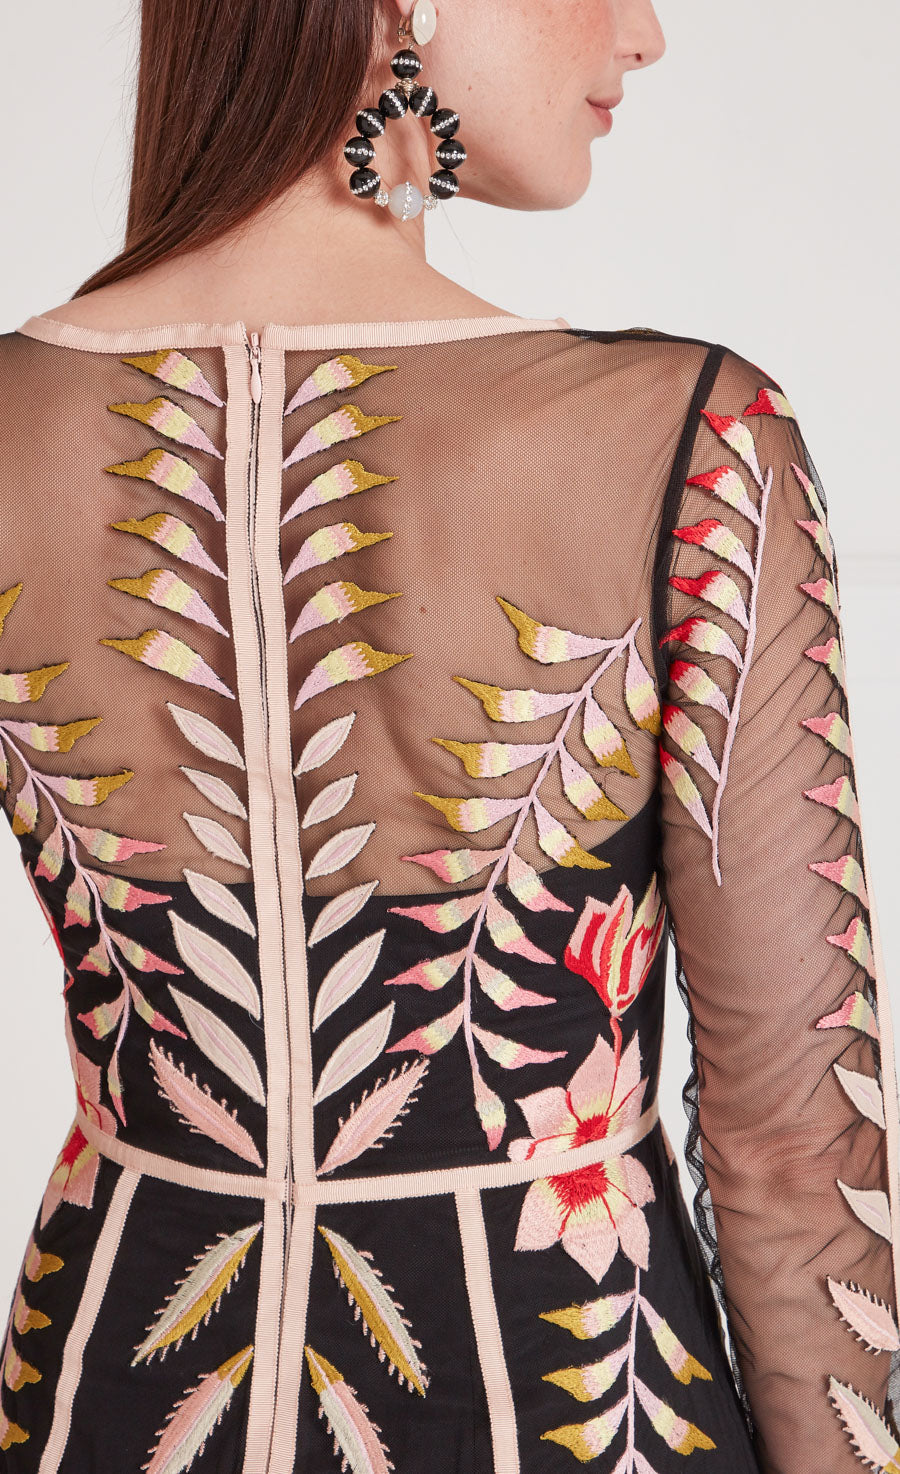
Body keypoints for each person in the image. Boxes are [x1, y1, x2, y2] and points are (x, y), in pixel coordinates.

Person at [0, 2, 897, 1472]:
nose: (645, 32)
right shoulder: (683, 438)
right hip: (582, 1414)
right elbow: (797, 1146)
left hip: (103, 1403)